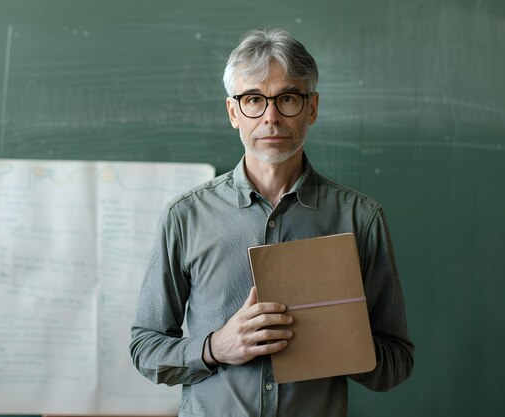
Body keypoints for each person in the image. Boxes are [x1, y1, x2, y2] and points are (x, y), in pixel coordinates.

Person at [130, 27, 414, 416]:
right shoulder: (185, 216)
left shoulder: (359, 218)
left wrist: (345, 342)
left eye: (288, 99)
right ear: (233, 112)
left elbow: (396, 362)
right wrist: (215, 348)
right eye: (253, 100)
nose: (271, 117)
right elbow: (145, 348)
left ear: (311, 108)